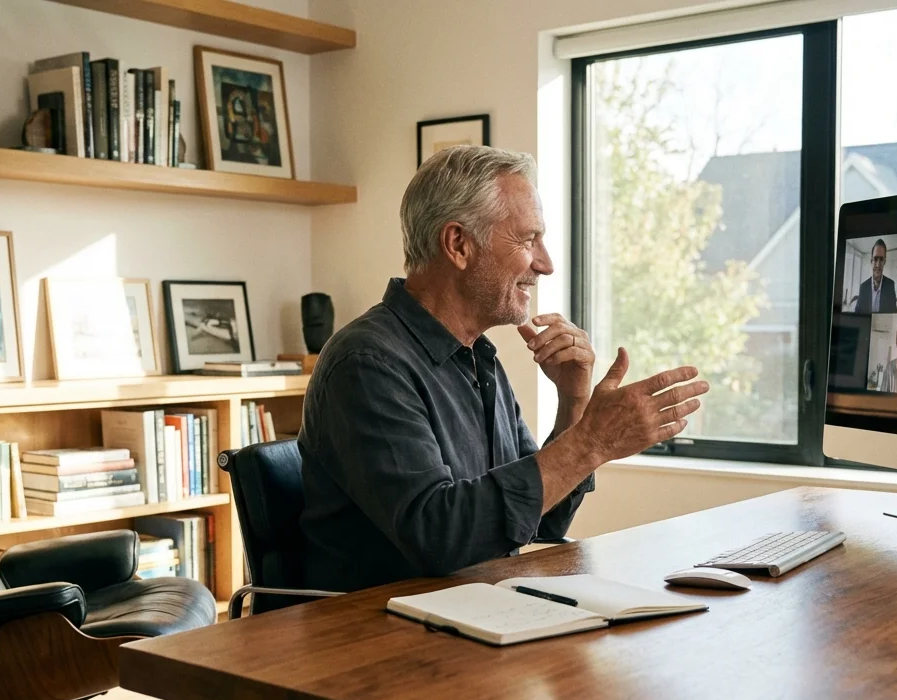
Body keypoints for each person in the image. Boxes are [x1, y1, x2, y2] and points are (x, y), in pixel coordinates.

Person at [299, 145, 708, 593]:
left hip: (477, 610)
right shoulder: (367, 364)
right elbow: (440, 539)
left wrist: (574, 404)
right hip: (381, 635)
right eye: (527, 239)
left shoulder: (478, 355)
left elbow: (538, 522)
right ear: (459, 244)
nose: (546, 264)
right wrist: (592, 443)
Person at [855, 239, 897, 314]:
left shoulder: (890, 285)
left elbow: (893, 315)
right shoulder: (863, 287)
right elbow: (857, 315)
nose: (878, 265)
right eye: (875, 259)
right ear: (871, 261)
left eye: (881, 259)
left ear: (884, 262)